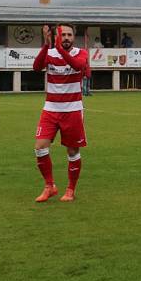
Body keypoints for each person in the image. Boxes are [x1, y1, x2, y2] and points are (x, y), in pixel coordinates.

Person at [32, 24, 89, 203]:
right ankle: (50, 186)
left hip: (72, 110)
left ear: (74, 37)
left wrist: (57, 48)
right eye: (62, 35)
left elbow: (77, 65)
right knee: (40, 148)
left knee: (72, 151)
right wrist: (46, 45)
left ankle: (70, 189)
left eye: (69, 35)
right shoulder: (50, 53)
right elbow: (36, 67)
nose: (65, 37)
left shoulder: (81, 53)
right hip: (50, 109)